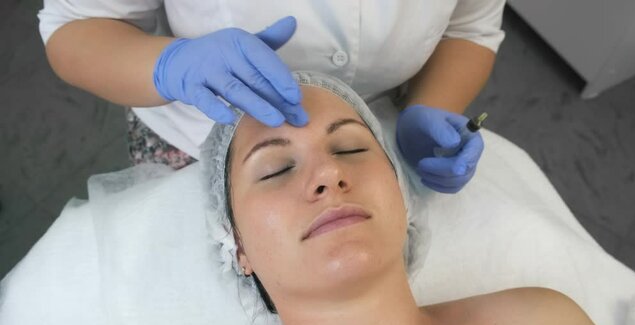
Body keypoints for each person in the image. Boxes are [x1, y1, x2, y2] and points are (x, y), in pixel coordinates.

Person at [200, 72, 624, 325]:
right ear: (237, 246)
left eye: (350, 148)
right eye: (276, 169)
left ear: (401, 197)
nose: (329, 173)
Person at [39, 1, 499, 193]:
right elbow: (75, 27)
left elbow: (468, 26)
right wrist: (172, 65)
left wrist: (431, 103)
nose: (326, 185)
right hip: (196, 138)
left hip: (380, 139)